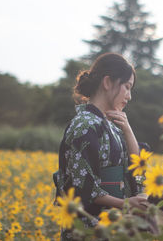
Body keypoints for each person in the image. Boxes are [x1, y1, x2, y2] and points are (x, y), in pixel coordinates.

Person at [58, 53, 148, 240]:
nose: (129, 96)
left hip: (113, 226)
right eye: (127, 87)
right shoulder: (84, 125)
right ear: (107, 83)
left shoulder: (112, 124)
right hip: (91, 228)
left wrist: (128, 130)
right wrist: (126, 203)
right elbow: (84, 186)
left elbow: (136, 166)